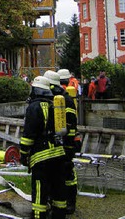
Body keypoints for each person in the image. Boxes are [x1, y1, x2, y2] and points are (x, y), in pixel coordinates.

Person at [20, 75, 68, 219]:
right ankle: (59, 215)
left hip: (42, 157)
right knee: (58, 189)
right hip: (59, 153)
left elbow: (29, 135)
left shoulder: (34, 107)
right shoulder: (56, 104)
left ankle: (39, 215)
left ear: (36, 90)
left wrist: (23, 153)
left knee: (40, 191)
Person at [50, 70, 79, 215]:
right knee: (64, 173)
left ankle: (70, 202)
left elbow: (70, 124)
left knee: (67, 173)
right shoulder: (63, 98)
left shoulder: (64, 100)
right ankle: (64, 201)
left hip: (67, 142)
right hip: (67, 142)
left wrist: (67, 144)